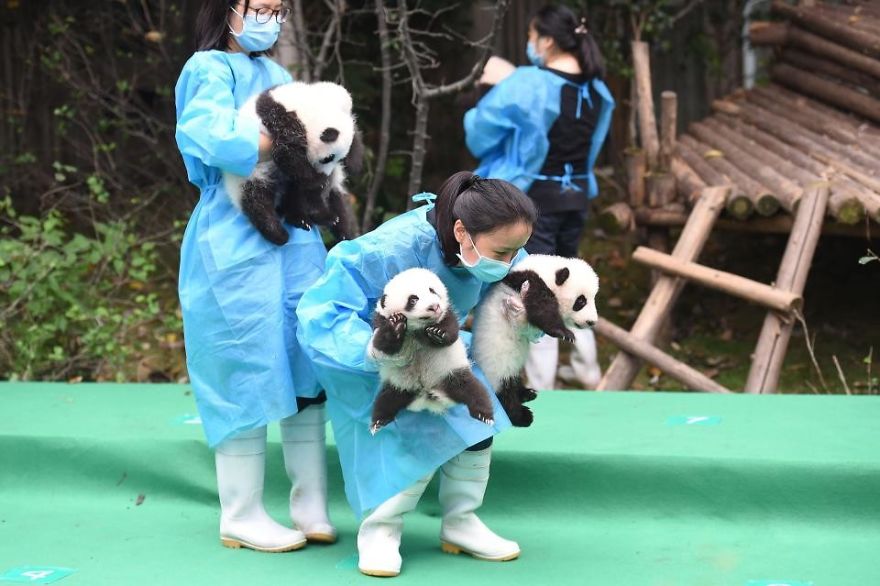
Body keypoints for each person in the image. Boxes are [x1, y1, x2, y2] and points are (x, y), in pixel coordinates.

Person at [296, 171, 537, 577]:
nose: (510, 261)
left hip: (439, 348)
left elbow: (516, 284)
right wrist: (379, 350)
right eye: (503, 252)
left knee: (477, 413)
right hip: (364, 354)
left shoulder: (491, 247)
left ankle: (462, 521)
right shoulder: (392, 248)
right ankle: (380, 530)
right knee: (412, 430)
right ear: (462, 231)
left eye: (518, 250)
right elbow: (323, 312)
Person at [174, 0, 335, 552]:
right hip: (233, 232)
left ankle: (309, 503)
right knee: (242, 362)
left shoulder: (278, 74)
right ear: (229, 8)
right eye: (261, 8)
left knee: (304, 357)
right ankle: (240, 514)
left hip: (294, 229)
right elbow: (212, 138)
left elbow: (316, 137)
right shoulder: (208, 68)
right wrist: (295, 140)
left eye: (279, 10)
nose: (272, 18)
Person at [463, 4, 614, 391]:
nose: (530, 44)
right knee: (572, 279)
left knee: (537, 286)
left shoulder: (530, 82)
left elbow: (480, 131)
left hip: (533, 203)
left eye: (531, 37)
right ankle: (586, 367)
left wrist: (493, 88)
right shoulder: (598, 90)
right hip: (575, 196)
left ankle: (543, 382)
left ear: (546, 40)